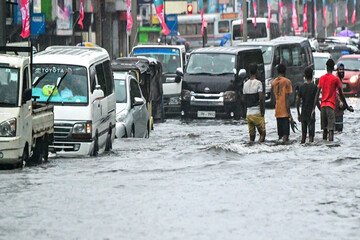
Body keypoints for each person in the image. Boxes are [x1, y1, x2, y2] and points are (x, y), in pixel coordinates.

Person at [312, 59, 354, 141]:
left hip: (323, 106)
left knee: (324, 130)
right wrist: (347, 106)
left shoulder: (322, 78)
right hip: (331, 107)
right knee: (331, 130)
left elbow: (317, 95)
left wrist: (314, 108)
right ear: (333, 67)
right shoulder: (335, 79)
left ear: (326, 67)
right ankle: (331, 149)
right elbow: (341, 94)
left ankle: (324, 148)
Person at [243, 63, 266, 142]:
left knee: (252, 137)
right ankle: (258, 148)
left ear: (249, 72)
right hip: (257, 112)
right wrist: (262, 111)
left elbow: (244, 100)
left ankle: (251, 149)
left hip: (249, 114)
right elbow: (261, 99)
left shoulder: (245, 84)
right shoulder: (258, 83)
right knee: (262, 134)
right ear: (257, 71)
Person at [271, 63, 294, 142]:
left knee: (280, 136)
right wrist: (290, 114)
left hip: (277, 111)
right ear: (285, 71)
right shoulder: (287, 82)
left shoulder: (274, 82)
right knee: (285, 136)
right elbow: (286, 99)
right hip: (284, 112)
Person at [296, 67, 318, 143]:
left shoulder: (302, 87)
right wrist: (319, 110)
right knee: (311, 137)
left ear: (304, 76)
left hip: (303, 113)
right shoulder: (314, 87)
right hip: (311, 113)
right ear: (312, 76)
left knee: (303, 136)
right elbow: (316, 101)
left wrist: (298, 114)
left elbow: (297, 101)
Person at [335, 63, 345, 132]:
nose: (341, 71)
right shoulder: (336, 79)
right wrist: (340, 102)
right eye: (340, 69)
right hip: (336, 107)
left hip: (339, 109)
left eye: (342, 70)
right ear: (337, 70)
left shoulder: (340, 80)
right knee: (338, 129)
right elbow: (336, 93)